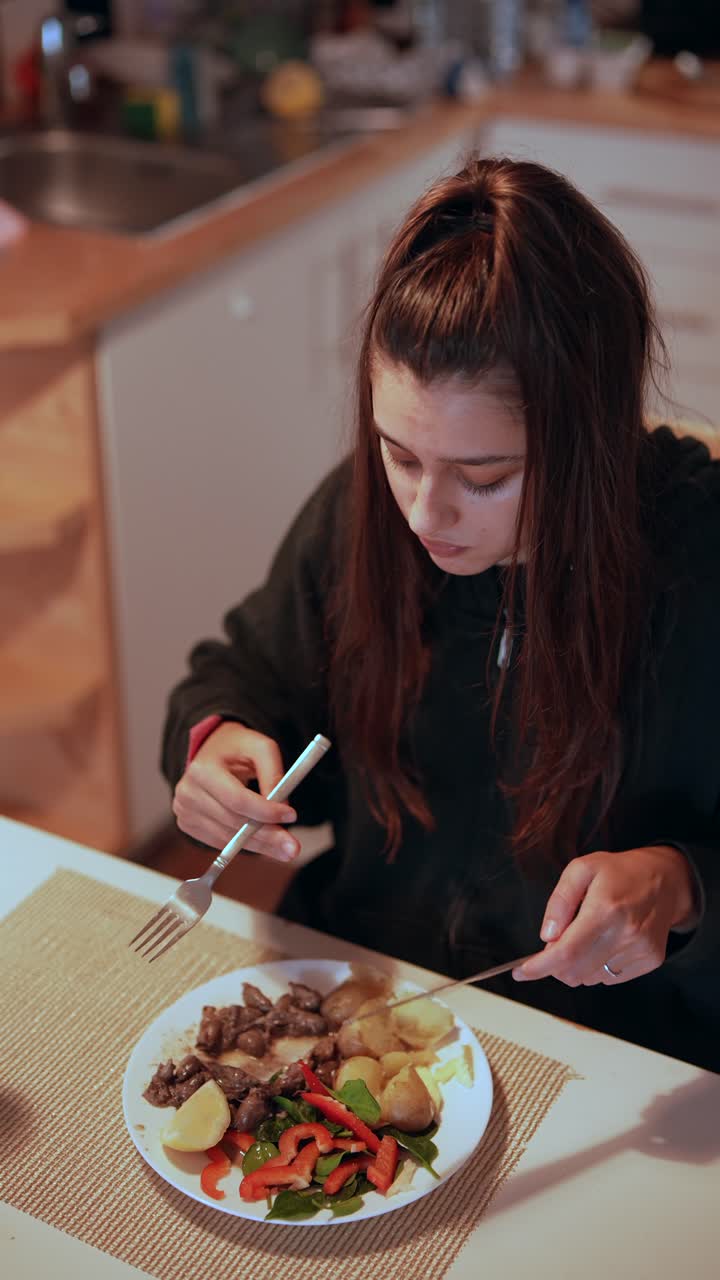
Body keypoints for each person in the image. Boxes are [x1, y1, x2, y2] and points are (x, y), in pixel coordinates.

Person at [162, 156, 720, 1074]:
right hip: (367, 1002)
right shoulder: (364, 515)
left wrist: (683, 887)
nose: (424, 514)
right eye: (400, 454)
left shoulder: (698, 574)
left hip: (613, 1057)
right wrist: (215, 742)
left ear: (593, 433)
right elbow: (240, 672)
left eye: (486, 477)